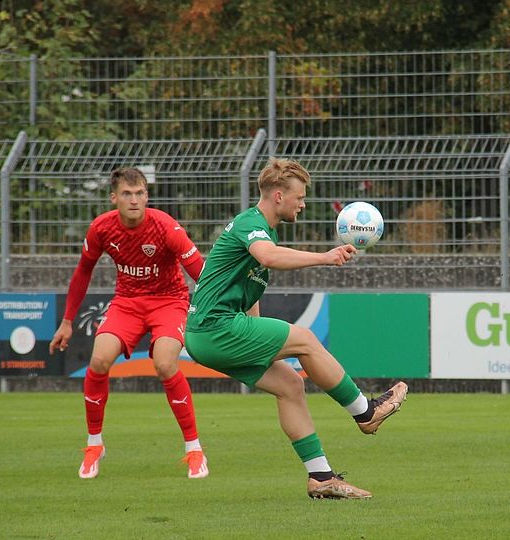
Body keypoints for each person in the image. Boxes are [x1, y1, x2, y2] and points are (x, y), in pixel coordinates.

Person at [184, 157, 408, 499]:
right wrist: (325, 257)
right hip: (214, 328)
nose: (302, 204)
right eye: (299, 197)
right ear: (278, 196)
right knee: (305, 339)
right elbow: (269, 257)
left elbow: (249, 293)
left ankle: (321, 477)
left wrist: (258, 337)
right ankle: (366, 412)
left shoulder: (264, 231)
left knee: (290, 384)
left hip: (212, 333)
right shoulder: (251, 224)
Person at [50, 167, 209, 480]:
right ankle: (94, 445)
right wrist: (67, 321)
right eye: (127, 194)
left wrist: (219, 309)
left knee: (165, 364)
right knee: (98, 359)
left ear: (147, 196)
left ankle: (194, 450)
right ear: (114, 198)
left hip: (169, 301)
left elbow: (200, 272)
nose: (134, 200)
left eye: (139, 194)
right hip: (127, 302)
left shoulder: (165, 226)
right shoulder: (102, 228)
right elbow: (83, 272)